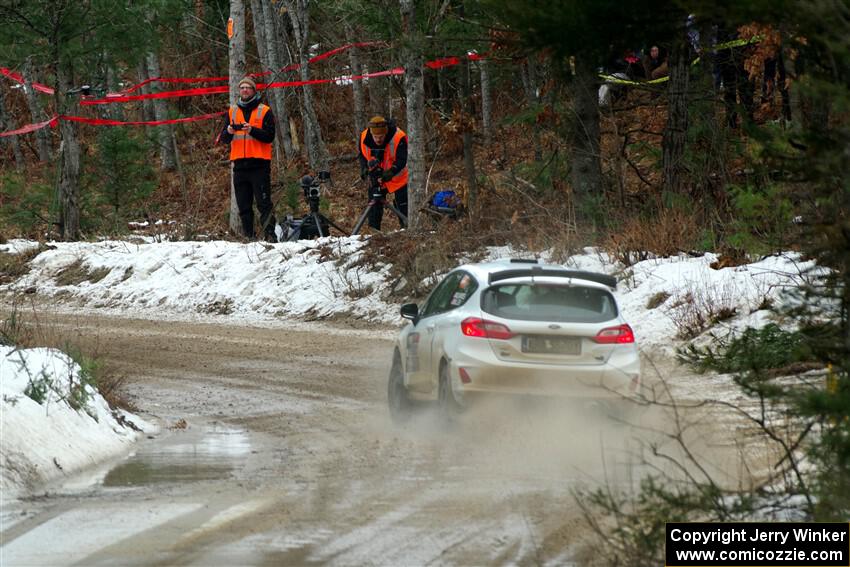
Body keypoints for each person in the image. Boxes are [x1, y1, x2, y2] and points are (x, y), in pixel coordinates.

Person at [218, 77, 277, 241]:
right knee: (244, 206)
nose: (244, 90)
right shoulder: (232, 111)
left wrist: (252, 130)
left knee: (264, 204)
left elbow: (269, 136)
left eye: (248, 88)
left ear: (254, 90)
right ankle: (249, 238)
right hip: (239, 166)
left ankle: (270, 236)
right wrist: (229, 131)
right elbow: (223, 138)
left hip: (259, 164)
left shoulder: (264, 110)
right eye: (242, 87)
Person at [358, 116, 408, 231]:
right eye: (375, 137)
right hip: (376, 176)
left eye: (381, 137)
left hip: (398, 177)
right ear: (371, 133)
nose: (378, 140)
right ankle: (374, 232)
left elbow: (402, 159)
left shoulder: (398, 136)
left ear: (386, 133)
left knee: (403, 203)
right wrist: (364, 168)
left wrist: (391, 172)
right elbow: (361, 155)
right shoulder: (364, 136)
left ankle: (406, 228)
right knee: (374, 205)